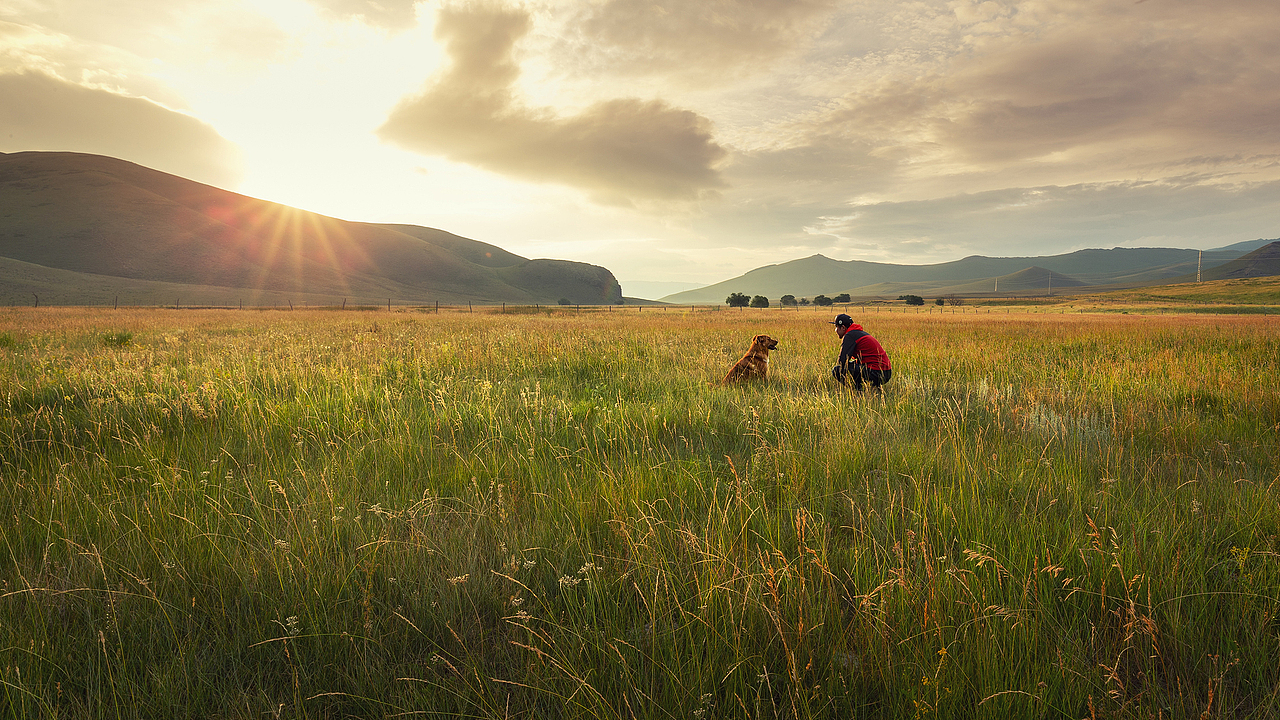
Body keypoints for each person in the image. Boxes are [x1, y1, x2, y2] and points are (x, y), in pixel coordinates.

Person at [830, 313, 892, 390]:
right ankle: (873, 389)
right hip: (886, 372)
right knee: (854, 366)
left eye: (836, 327)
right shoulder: (858, 333)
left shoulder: (850, 335)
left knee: (837, 370)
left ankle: (858, 391)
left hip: (877, 372)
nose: (835, 330)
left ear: (843, 327)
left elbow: (842, 361)